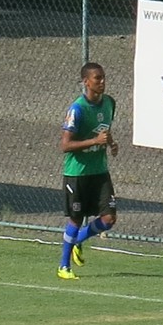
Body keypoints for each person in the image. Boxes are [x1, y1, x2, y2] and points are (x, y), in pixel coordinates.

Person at [57, 62, 119, 280]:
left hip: (100, 171)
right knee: (76, 218)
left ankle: (79, 241)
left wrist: (110, 143)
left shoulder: (109, 103)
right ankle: (63, 266)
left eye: (103, 78)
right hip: (77, 173)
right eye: (97, 79)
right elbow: (65, 145)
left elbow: (104, 132)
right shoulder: (77, 109)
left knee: (109, 218)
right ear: (86, 82)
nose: (102, 82)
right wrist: (94, 140)